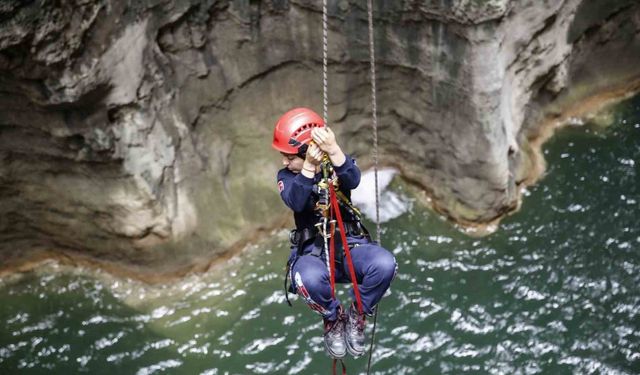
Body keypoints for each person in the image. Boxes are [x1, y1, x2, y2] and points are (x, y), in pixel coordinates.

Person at [272, 107, 397, 359]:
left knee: (385, 265)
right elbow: (296, 201)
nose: (285, 162)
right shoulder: (287, 176)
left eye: (289, 157)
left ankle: (357, 313)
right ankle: (333, 318)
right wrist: (307, 167)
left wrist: (333, 150)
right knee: (305, 278)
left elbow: (353, 179)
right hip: (313, 254)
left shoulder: (336, 165)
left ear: (307, 150)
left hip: (349, 247)